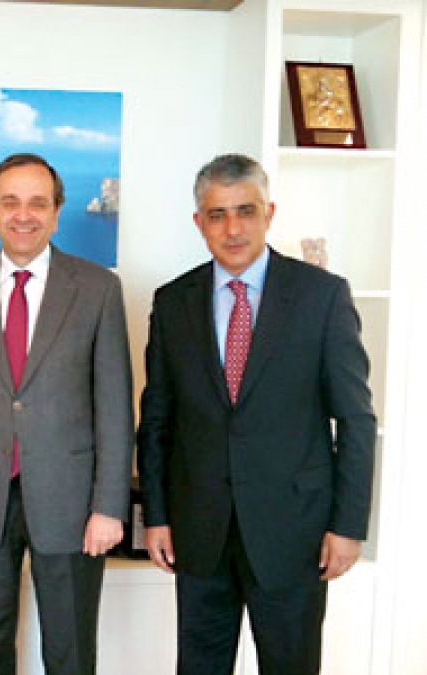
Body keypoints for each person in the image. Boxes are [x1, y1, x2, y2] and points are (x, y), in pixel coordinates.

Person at [138, 154, 375, 675]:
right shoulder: (173, 303)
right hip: (200, 531)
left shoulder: (322, 296)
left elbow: (356, 420)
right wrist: (155, 515)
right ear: (199, 222)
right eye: (217, 214)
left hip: (295, 533)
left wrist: (348, 525)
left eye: (245, 210)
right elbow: (156, 419)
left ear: (269, 212)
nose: (233, 228)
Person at [0, 153, 133, 674]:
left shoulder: (98, 289)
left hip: (73, 503)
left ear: (57, 213)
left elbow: (114, 404)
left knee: (70, 652)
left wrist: (110, 506)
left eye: (38, 203)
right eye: (11, 203)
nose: (24, 215)